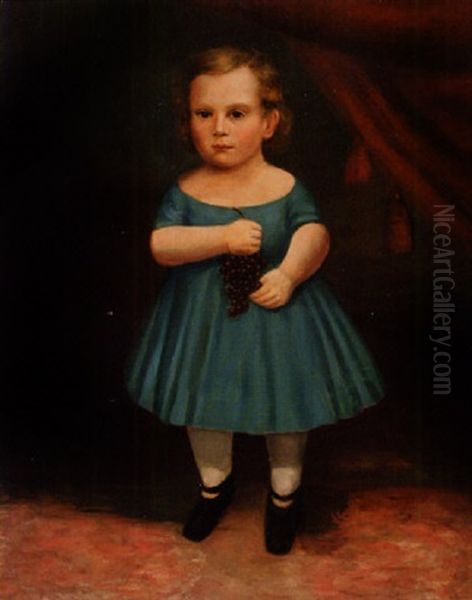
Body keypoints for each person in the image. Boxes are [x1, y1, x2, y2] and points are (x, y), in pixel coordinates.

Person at [127, 46, 384, 554]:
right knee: (201, 407)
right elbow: (161, 244)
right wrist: (219, 238)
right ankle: (213, 488)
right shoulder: (186, 188)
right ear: (188, 122)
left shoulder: (285, 186)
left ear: (269, 123)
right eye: (205, 114)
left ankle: (284, 498)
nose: (219, 128)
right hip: (201, 323)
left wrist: (288, 273)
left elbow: (315, 233)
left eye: (236, 113)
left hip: (278, 317)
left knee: (286, 408)